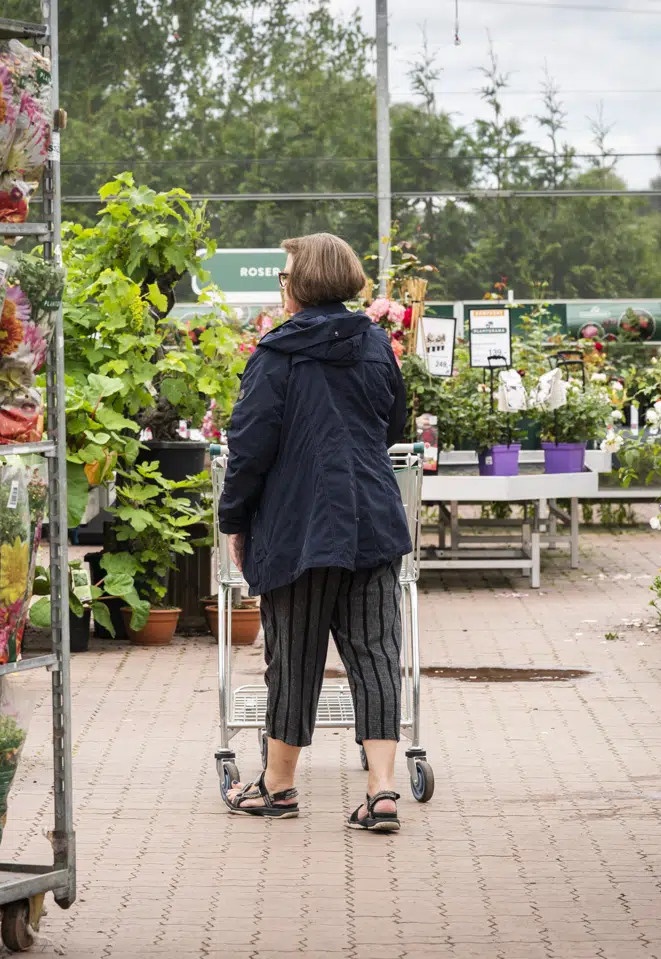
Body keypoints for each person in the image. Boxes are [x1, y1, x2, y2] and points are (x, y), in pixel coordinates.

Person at [217, 232, 413, 832]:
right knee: (376, 653)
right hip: (372, 519)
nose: (281, 288)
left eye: (283, 278)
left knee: (294, 656)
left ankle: (277, 787)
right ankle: (381, 791)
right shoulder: (377, 346)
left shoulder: (277, 355)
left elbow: (249, 448)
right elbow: (392, 424)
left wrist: (233, 517)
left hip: (298, 526)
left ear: (301, 285)